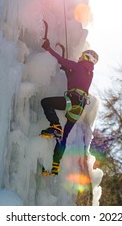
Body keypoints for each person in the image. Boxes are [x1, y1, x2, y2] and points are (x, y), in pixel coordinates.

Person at [40, 38, 98, 176]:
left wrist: (48, 47)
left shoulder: (79, 66)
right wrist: (67, 70)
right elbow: (73, 78)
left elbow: (61, 60)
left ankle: (55, 125)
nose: (79, 57)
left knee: (46, 102)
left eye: (82, 56)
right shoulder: (89, 72)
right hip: (79, 107)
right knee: (64, 137)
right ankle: (55, 167)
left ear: (86, 57)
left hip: (72, 100)